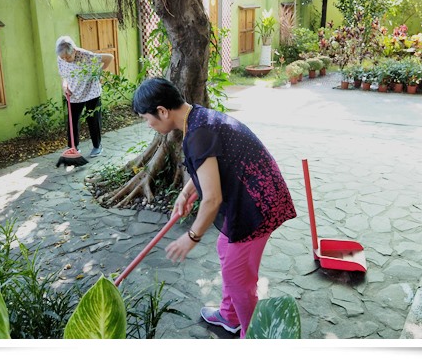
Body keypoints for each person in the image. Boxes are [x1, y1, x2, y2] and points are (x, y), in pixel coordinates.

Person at [132, 77, 297, 338]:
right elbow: (211, 169)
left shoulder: (198, 132)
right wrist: (185, 194)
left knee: (237, 277)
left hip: (257, 204)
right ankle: (230, 316)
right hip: (250, 193)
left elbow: (212, 199)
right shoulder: (196, 117)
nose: (148, 124)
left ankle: (252, 337)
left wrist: (192, 236)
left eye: (146, 118)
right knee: (224, 248)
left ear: (162, 111)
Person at [56, 35, 113, 157]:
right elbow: (64, 75)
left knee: (92, 119)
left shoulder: (85, 55)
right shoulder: (61, 58)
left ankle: (97, 146)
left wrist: (97, 73)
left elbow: (109, 58)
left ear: (74, 50)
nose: (65, 60)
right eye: (63, 58)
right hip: (74, 93)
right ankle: (73, 148)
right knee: (72, 121)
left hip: (91, 91)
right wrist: (65, 86)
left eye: (68, 57)